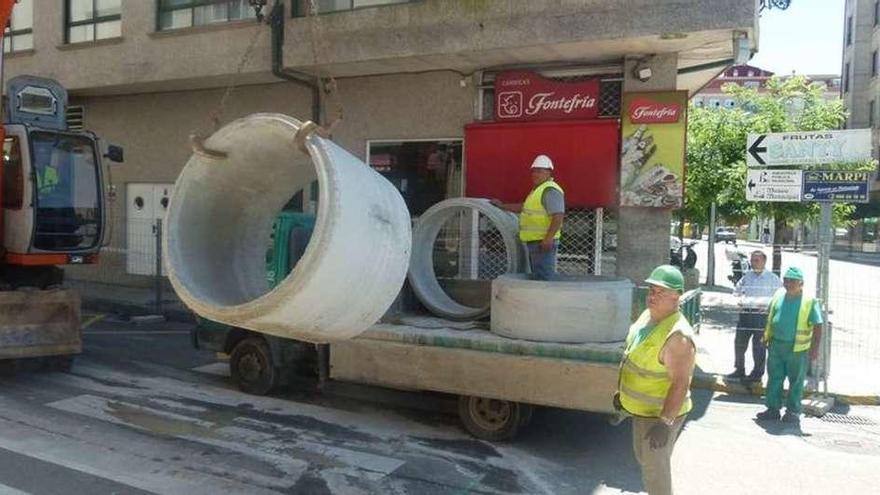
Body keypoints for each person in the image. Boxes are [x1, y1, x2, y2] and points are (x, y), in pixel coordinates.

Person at [616, 265, 696, 495]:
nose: (652, 296)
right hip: (643, 411)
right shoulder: (647, 316)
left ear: (676, 295)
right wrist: (620, 392)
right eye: (652, 289)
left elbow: (681, 382)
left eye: (661, 292)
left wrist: (665, 423)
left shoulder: (678, 337)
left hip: (660, 415)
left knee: (655, 470)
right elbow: (632, 354)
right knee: (644, 458)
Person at [756, 267, 823, 425]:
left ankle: (793, 411)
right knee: (774, 378)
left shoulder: (809, 301)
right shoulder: (779, 295)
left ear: (802, 283)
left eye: (793, 281)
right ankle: (773, 409)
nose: (789, 283)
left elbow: (818, 326)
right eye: (786, 280)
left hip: (797, 349)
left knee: (796, 381)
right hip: (776, 346)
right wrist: (766, 337)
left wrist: (814, 349)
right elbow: (771, 316)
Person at [490, 154, 564, 280]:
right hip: (536, 242)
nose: (535, 174)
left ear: (548, 173)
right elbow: (523, 207)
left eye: (539, 171)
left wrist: (548, 238)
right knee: (537, 276)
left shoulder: (549, 190)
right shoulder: (537, 191)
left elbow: (558, 215)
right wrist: (502, 206)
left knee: (543, 277)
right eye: (534, 171)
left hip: (542, 242)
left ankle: (543, 299)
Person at [727, 250, 782, 383]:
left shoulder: (772, 279)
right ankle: (739, 369)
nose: (753, 263)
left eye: (756, 261)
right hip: (746, 313)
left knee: (759, 346)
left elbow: (779, 297)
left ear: (764, 261)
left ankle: (757, 373)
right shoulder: (747, 276)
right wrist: (738, 300)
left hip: (761, 316)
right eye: (752, 260)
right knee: (739, 343)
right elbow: (737, 291)